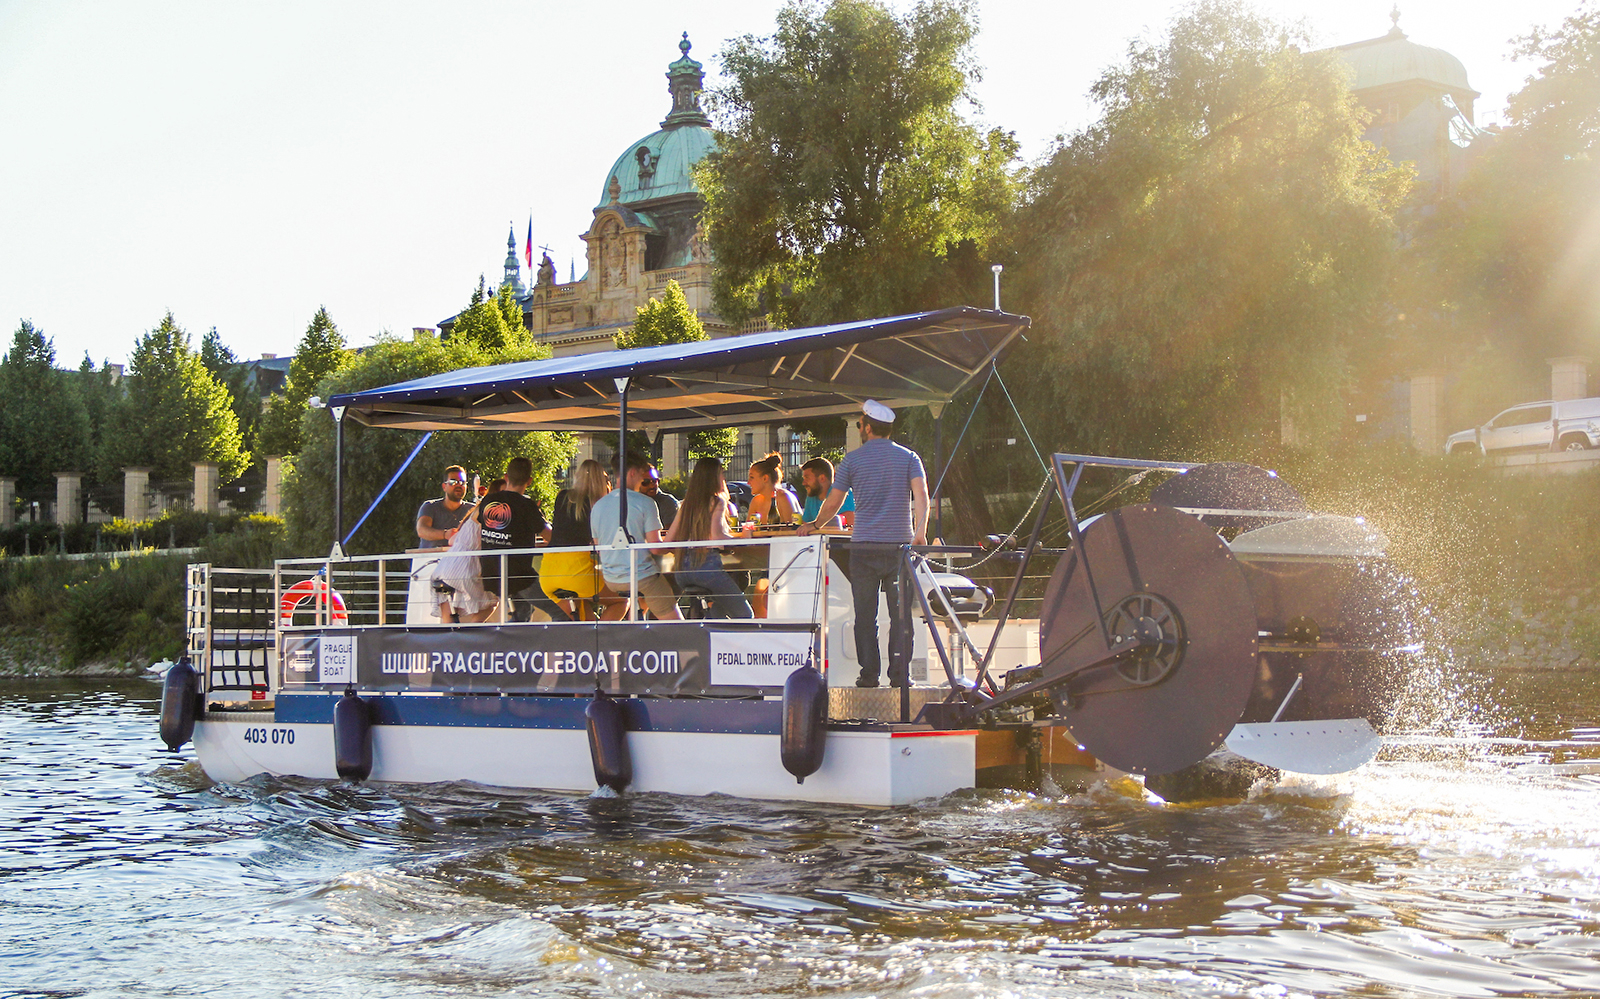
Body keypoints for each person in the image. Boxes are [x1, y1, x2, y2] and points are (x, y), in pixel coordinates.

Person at [798, 400, 928, 687]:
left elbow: (834, 501)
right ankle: (900, 677)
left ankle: (869, 675)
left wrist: (815, 525)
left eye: (859, 425)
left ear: (867, 428)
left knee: (865, 616)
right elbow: (921, 496)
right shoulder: (909, 458)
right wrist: (920, 532)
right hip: (899, 548)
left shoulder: (852, 461)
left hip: (865, 547)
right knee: (901, 616)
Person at [590, 450, 683, 620]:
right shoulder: (645, 503)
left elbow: (600, 549)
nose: (643, 481)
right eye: (642, 476)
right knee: (676, 620)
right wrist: (674, 545)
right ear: (633, 473)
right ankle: (678, 642)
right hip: (642, 576)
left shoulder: (598, 506)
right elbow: (655, 548)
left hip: (611, 579)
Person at [478, 456, 570, 623]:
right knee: (561, 612)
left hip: (491, 573)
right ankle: (564, 646)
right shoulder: (526, 506)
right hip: (519, 576)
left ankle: (514, 646)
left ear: (506, 477)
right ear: (529, 481)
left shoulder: (488, 501)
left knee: (522, 613)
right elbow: (550, 535)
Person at [665, 457, 753, 619]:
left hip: (682, 572)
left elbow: (668, 541)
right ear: (715, 477)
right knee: (745, 614)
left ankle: (707, 632)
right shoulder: (717, 501)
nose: (723, 478)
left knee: (721, 608)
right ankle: (715, 635)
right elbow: (717, 538)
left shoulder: (686, 504)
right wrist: (743, 539)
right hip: (706, 569)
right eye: (722, 474)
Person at [540, 460, 627, 620]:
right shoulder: (601, 505)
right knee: (622, 601)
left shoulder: (562, 497)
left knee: (583, 614)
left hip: (548, 572)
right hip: (577, 571)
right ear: (603, 482)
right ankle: (602, 640)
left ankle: (590, 639)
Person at [417, 465, 475, 622]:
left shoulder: (473, 510)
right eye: (454, 481)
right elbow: (422, 530)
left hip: (462, 569)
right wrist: (445, 534)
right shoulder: (430, 507)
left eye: (463, 482)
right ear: (444, 486)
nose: (459, 485)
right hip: (430, 568)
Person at [800, 457, 855, 528]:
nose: (803, 483)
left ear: (822, 478)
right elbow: (805, 526)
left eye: (807, 478)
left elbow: (850, 526)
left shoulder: (843, 493)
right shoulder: (812, 496)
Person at [747, 452, 797, 526]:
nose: (748, 482)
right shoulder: (756, 501)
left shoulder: (783, 497)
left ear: (765, 478)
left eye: (752, 477)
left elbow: (791, 531)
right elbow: (748, 529)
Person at [641, 464, 680, 532]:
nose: (652, 485)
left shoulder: (668, 502)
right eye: (646, 482)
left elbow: (668, 532)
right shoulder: (630, 502)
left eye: (655, 481)